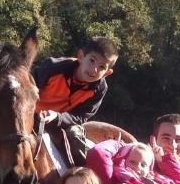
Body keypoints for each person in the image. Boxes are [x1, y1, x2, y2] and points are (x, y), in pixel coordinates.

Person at [32, 36, 118, 168]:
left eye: (102, 67)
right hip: (32, 115)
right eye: (92, 61)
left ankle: (78, 174)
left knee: (76, 133)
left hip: (62, 122)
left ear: (108, 72)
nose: (94, 70)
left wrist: (57, 117)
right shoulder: (53, 67)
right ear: (81, 56)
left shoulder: (100, 89)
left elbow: (81, 116)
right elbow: (26, 90)